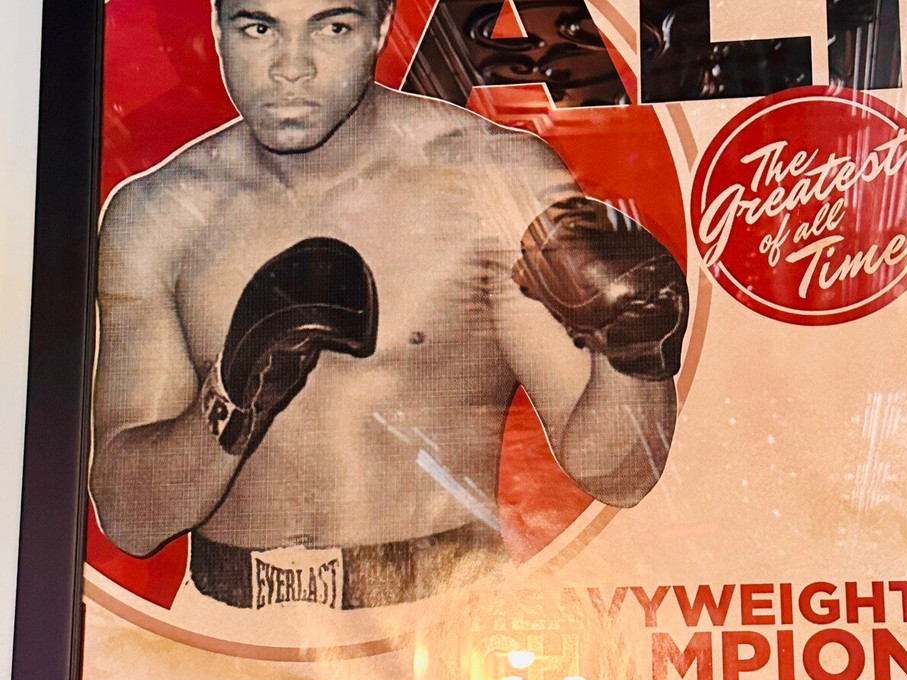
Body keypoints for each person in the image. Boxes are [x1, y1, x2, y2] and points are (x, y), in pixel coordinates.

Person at [89, 0, 688, 610]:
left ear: (379, 29)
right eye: (259, 27)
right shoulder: (158, 215)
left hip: (439, 622)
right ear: (218, 30)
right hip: (225, 628)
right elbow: (130, 521)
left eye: (333, 27)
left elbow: (620, 477)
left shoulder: (490, 178)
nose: (290, 67)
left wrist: (634, 354)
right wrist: (233, 393)